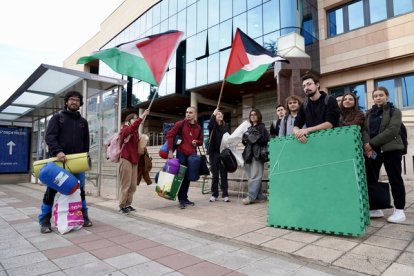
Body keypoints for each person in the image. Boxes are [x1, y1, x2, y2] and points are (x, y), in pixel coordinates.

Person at [39, 91, 92, 233]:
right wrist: (58, 151)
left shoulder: (83, 122)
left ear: (80, 103)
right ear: (66, 102)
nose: (74, 102)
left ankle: (84, 216)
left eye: (77, 100)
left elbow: (86, 143)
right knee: (51, 191)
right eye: (71, 99)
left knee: (80, 191)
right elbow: (50, 137)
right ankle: (44, 221)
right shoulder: (58, 118)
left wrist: (84, 159)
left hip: (77, 164)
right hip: (58, 163)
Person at [362, 87, 406, 223]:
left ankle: (399, 210)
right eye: (375, 96)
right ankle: (377, 207)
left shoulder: (395, 111)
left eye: (381, 95)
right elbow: (364, 130)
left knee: (394, 178)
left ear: (387, 96)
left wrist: (372, 143)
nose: (378, 98)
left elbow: (392, 130)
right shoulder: (369, 114)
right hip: (373, 151)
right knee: (372, 178)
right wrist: (367, 145)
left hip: (391, 150)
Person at [166, 106, 203, 209]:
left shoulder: (198, 127)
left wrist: (197, 142)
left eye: (190, 112)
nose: (188, 114)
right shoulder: (180, 124)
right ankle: (181, 199)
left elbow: (201, 141)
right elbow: (169, 135)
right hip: (181, 154)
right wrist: (170, 151)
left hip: (192, 156)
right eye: (186, 112)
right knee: (181, 177)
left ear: (194, 114)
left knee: (188, 178)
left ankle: (185, 198)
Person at [293, 72, 341, 143]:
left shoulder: (330, 100)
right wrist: (298, 133)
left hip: (331, 140)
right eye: (304, 86)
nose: (306, 88)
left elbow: (330, 124)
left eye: (309, 84)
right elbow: (296, 125)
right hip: (313, 143)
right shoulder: (304, 104)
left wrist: (307, 130)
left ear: (317, 84)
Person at [118, 109, 150, 215]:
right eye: (134, 119)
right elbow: (132, 128)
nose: (136, 120)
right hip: (126, 158)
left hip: (134, 160)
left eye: (137, 118)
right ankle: (122, 205)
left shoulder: (136, 133)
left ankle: (128, 204)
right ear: (129, 121)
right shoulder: (125, 129)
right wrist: (142, 116)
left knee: (133, 185)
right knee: (125, 184)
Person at [241, 109, 270, 205]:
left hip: (257, 155)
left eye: (255, 114)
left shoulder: (261, 127)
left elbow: (265, 140)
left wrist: (251, 137)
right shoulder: (249, 128)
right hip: (248, 155)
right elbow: (246, 142)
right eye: (251, 115)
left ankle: (250, 197)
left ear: (259, 116)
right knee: (251, 176)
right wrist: (245, 138)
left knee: (255, 177)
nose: (252, 116)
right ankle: (259, 196)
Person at [208, 108, 230, 202]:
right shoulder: (213, 126)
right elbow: (210, 124)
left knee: (224, 175)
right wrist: (213, 114)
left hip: (224, 153)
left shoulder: (226, 126)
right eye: (218, 114)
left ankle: (225, 194)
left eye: (221, 114)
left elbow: (229, 137)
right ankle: (214, 194)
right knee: (215, 175)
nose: (220, 115)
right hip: (214, 153)